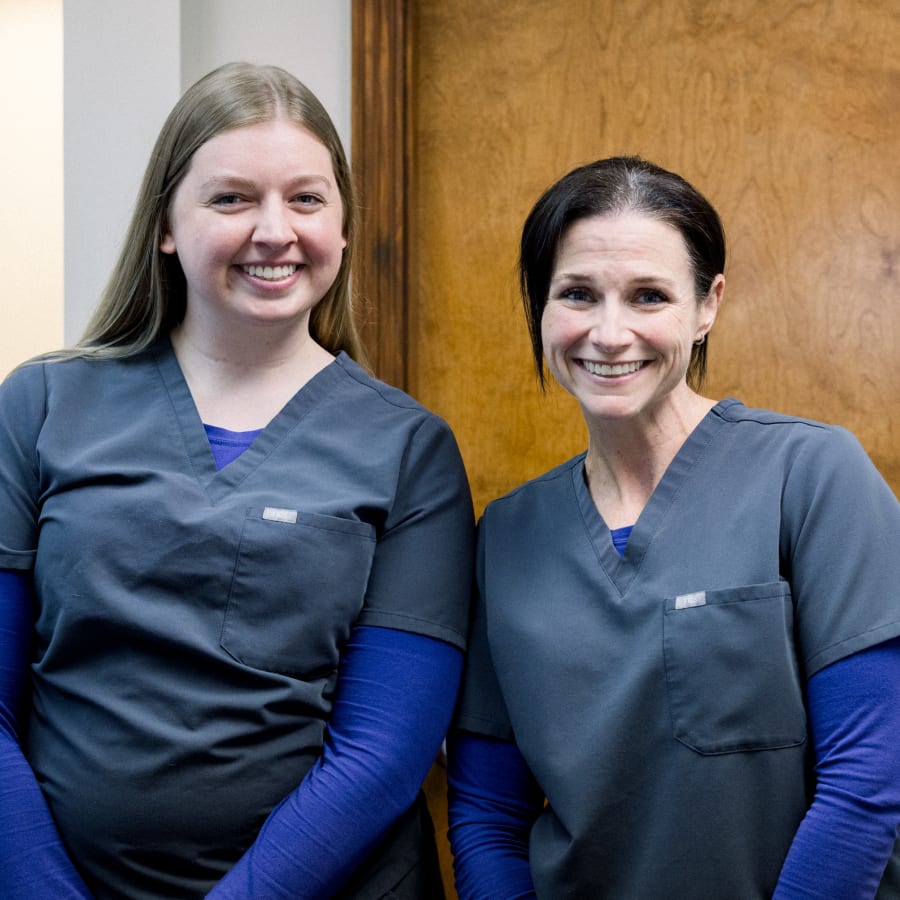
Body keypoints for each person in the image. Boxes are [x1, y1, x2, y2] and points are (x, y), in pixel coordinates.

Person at [0, 62, 474, 899]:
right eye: (231, 199)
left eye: (306, 198)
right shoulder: (41, 405)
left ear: (344, 223)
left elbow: (383, 754)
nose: (274, 230)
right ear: (166, 227)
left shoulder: (409, 449)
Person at [446, 156, 900, 899]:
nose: (610, 331)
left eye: (649, 296)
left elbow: (866, 786)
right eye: (578, 294)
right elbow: (489, 812)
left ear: (707, 304)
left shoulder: (814, 475)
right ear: (541, 308)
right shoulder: (507, 535)